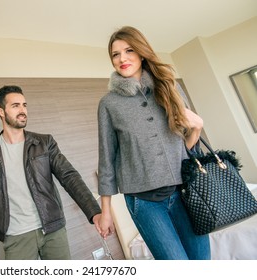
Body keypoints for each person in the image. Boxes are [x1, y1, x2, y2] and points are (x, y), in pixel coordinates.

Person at [95, 26, 211, 260]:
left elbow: (186, 149)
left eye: (128, 50)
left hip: (185, 193)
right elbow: (106, 159)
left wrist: (196, 128)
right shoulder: (109, 104)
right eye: (115, 54)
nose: (122, 59)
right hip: (144, 203)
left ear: (141, 52)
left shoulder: (170, 88)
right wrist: (105, 211)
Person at [0, 85, 101, 260]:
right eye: (15, 106)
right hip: (16, 237)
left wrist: (94, 211)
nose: (22, 110)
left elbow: (69, 176)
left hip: (52, 229)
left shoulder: (44, 142)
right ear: (1, 111)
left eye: (24, 105)